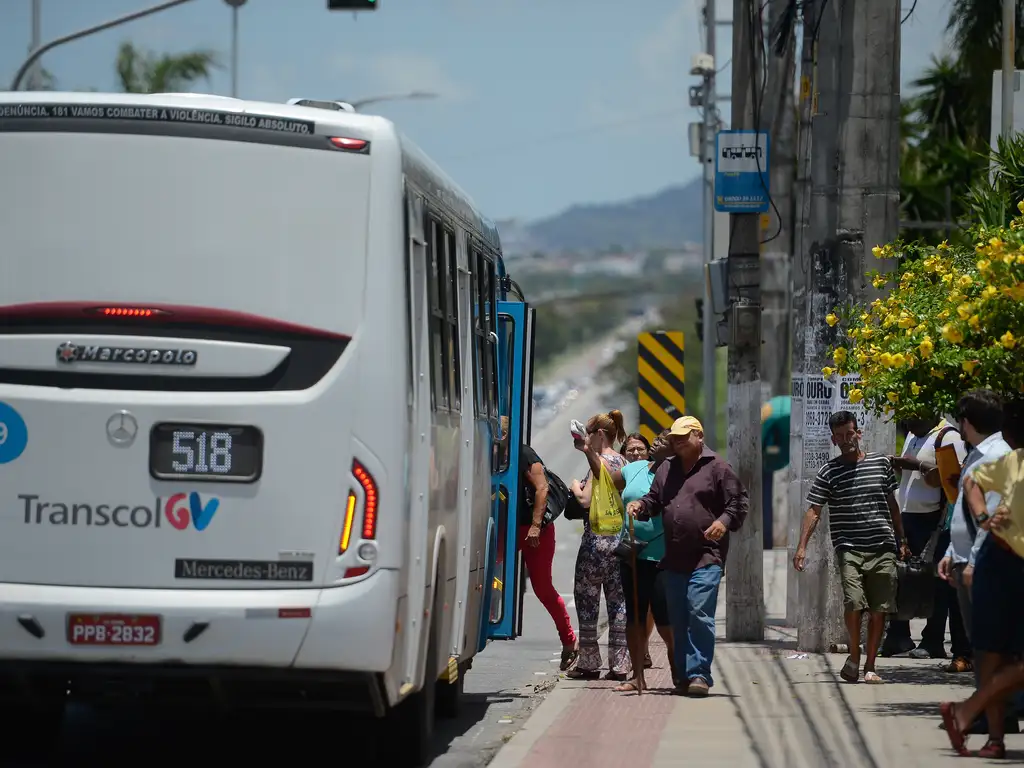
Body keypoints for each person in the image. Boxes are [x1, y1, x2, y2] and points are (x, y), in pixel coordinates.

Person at [626, 416, 748, 697]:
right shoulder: (666, 469)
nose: (678, 442)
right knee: (679, 617)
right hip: (674, 558)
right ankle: (682, 675)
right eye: (675, 438)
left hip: (707, 556)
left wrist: (723, 522)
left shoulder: (718, 467)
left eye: (684, 436)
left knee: (699, 611)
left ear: (699, 436)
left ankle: (699, 675)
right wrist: (639, 505)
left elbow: (738, 501)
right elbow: (654, 501)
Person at [794, 411, 910, 684]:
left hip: (883, 547)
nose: (846, 440)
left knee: (880, 608)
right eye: (840, 436)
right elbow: (814, 511)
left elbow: (892, 505)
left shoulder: (881, 463)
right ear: (833, 439)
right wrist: (801, 547)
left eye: (850, 434)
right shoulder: (829, 471)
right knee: (854, 602)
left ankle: (870, 665)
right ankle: (855, 656)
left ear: (858, 433)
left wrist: (901, 540)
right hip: (849, 548)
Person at [939, 397, 1024, 758]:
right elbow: (972, 490)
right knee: (989, 653)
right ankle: (994, 735)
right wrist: (977, 523)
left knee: (1000, 654)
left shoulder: (1000, 455)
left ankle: (973, 711)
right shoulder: (1006, 460)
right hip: (995, 563)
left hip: (998, 565)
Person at [881, 415, 967, 659]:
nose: (907, 421)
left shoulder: (947, 436)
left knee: (935, 583)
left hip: (934, 520)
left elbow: (950, 479)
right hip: (908, 516)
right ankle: (899, 636)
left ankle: (933, 640)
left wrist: (915, 464)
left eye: (912, 416)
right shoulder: (913, 434)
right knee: (901, 578)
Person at [567, 410, 631, 681]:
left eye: (590, 434)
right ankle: (619, 665)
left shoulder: (600, 462)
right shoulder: (624, 461)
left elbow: (585, 501)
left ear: (600, 435)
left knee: (588, 602)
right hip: (620, 542)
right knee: (619, 605)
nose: (588, 439)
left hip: (596, 542)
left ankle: (590, 663)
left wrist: (574, 486)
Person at [611, 429, 675, 692]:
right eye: (657, 437)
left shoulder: (677, 475)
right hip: (632, 553)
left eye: (666, 440)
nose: (658, 440)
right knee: (634, 618)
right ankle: (637, 676)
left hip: (663, 556)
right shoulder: (634, 468)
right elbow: (607, 479)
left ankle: (680, 675)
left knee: (665, 620)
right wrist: (593, 453)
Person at [519, 439, 579, 671]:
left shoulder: (524, 453)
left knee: (542, 587)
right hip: (508, 527)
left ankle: (569, 641)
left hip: (536, 531)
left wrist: (535, 525)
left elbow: (542, 488)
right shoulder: (487, 447)